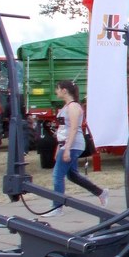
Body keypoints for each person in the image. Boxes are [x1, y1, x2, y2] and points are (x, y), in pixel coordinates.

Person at [47, 80, 108, 216]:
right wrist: (59, 147)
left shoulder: (73, 107)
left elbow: (74, 128)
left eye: (57, 89)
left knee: (57, 175)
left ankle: (57, 207)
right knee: (72, 175)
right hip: (67, 144)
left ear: (64, 91)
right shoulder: (66, 107)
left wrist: (67, 148)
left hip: (72, 144)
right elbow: (64, 129)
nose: (56, 91)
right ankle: (100, 192)